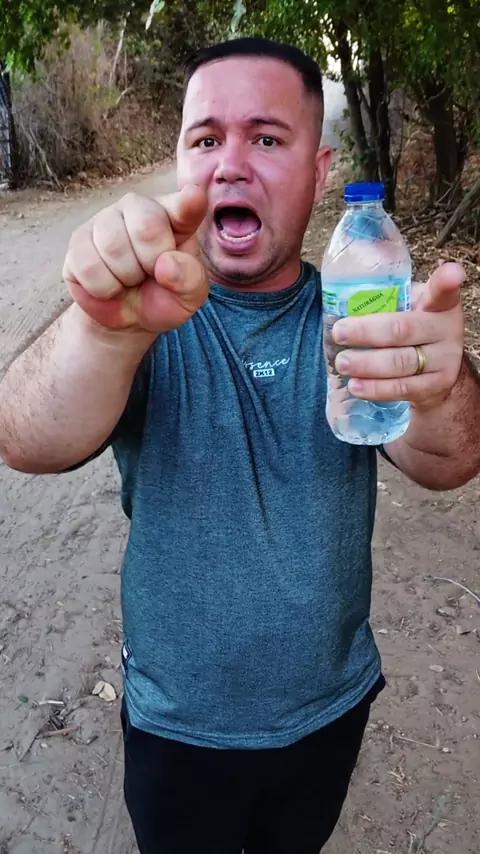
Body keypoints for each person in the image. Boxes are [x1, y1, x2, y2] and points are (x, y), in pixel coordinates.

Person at [1, 37, 479, 854]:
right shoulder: (142, 317)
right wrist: (103, 330)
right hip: (177, 726)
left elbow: (453, 460)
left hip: (330, 709)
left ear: (320, 174)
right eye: (205, 139)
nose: (230, 164)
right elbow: (23, 439)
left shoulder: (356, 316)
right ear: (179, 164)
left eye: (266, 138)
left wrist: (437, 388)